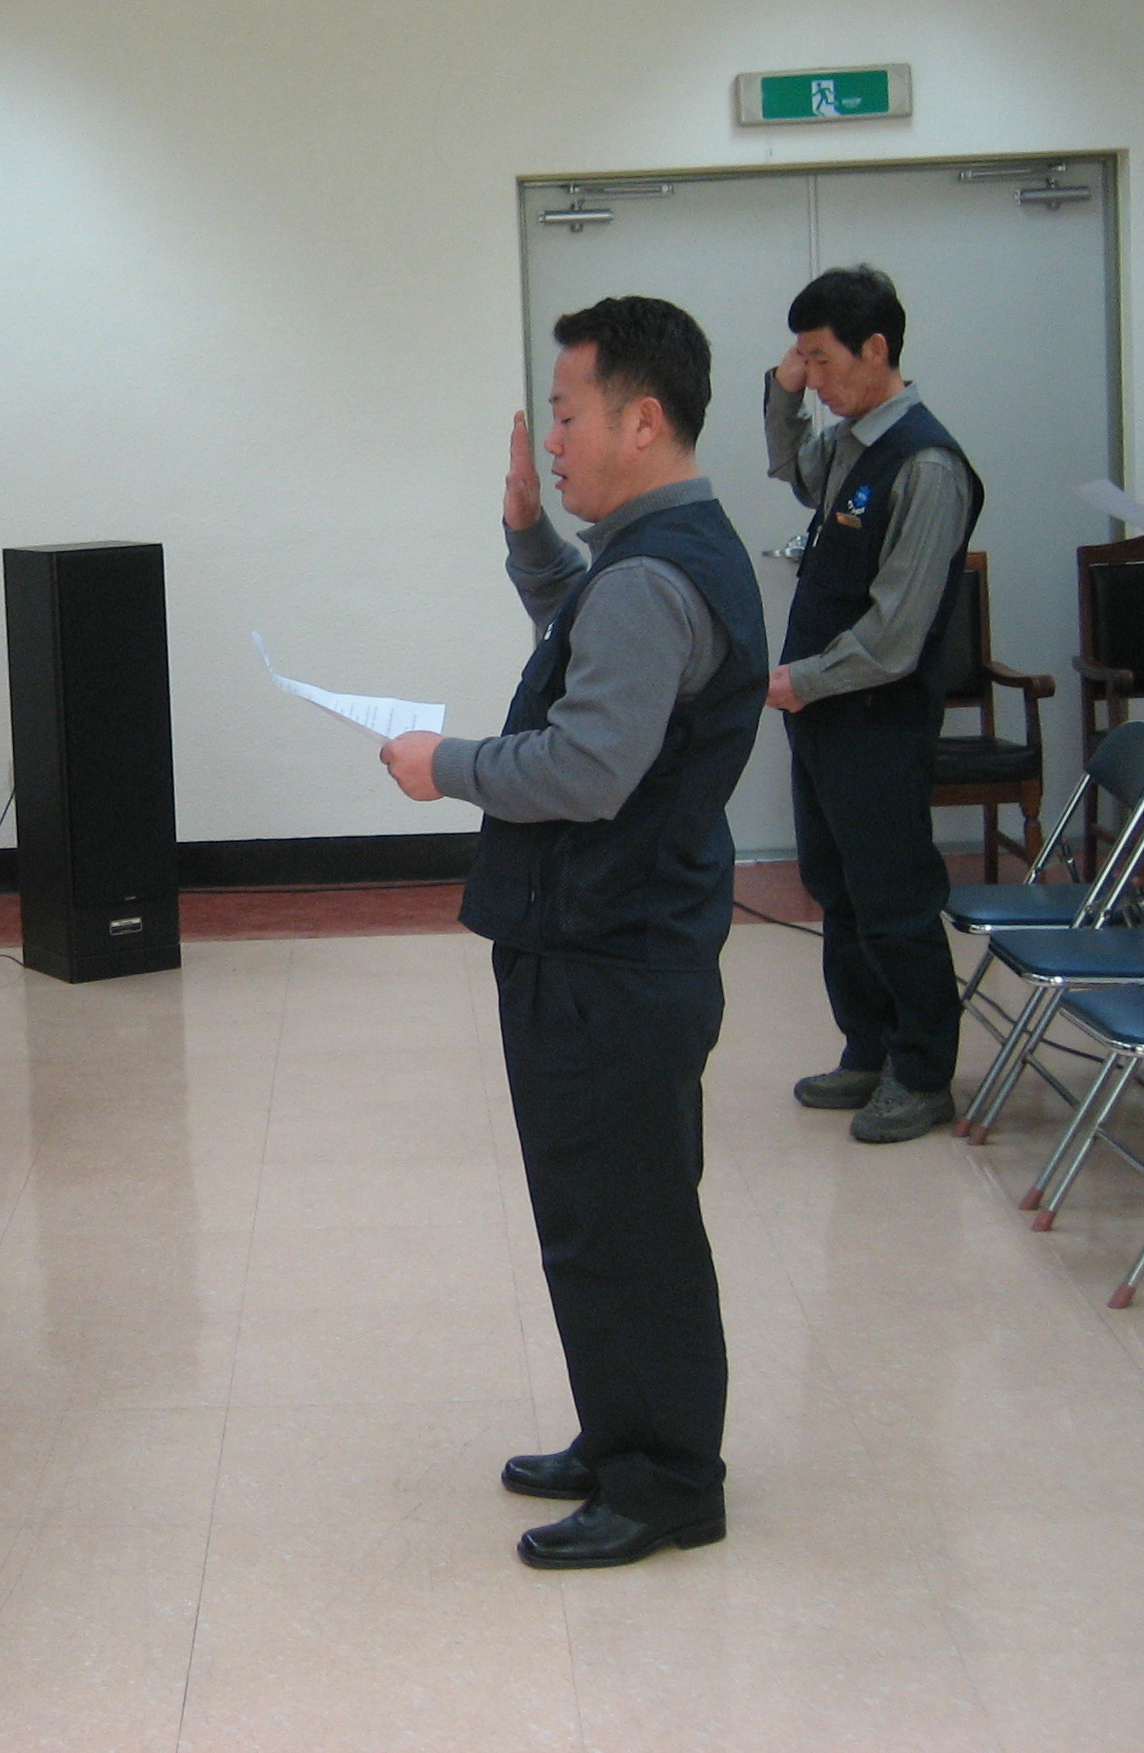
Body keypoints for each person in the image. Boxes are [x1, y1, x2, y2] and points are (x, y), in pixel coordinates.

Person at [381, 295, 766, 1571]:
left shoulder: (650, 573)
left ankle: (666, 1484)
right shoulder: (658, 550)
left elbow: (589, 765)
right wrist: (529, 541)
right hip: (621, 938)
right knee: (599, 1215)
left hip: (611, 952)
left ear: (639, 421)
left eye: (565, 413)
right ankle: (621, 1436)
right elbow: (593, 649)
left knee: (626, 1225)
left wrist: (444, 765)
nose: (550, 438)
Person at [765, 266, 982, 1144]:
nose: (813, 377)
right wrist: (783, 393)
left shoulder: (926, 463)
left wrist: (800, 681)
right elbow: (795, 471)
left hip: (877, 719)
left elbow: (895, 634)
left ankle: (923, 1073)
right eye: (804, 360)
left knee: (893, 896)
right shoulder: (853, 443)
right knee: (838, 889)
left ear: (877, 349)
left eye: (822, 360)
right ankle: (868, 1048)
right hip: (823, 714)